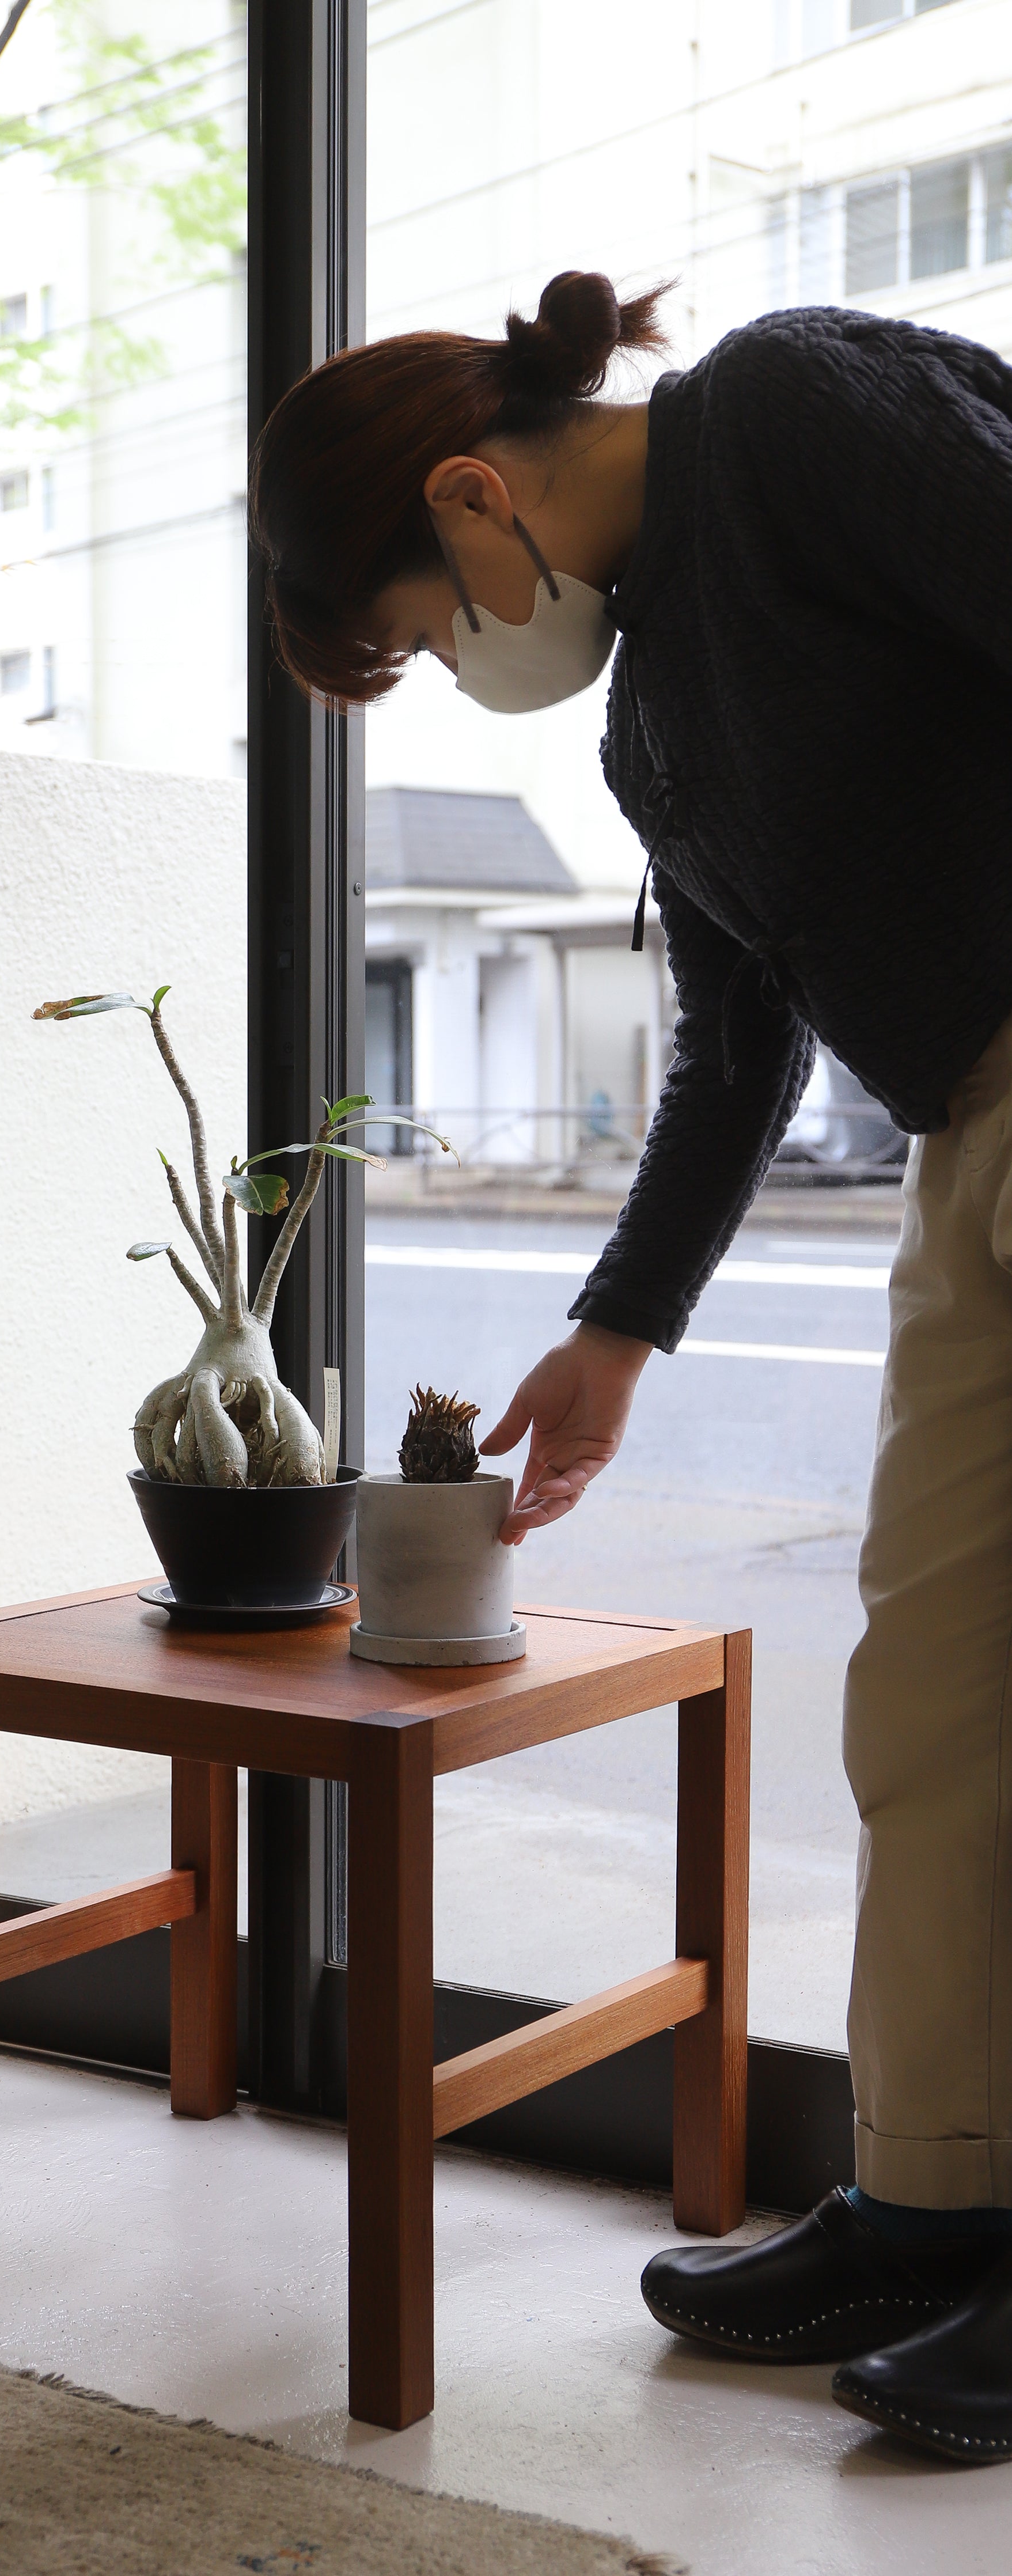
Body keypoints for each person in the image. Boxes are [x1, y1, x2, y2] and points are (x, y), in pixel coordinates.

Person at [249, 269, 1012, 2465]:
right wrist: (616, 1336)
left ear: (476, 498)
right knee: (937, 1693)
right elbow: (740, 1052)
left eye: (415, 631)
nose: (452, 671)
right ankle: (932, 2197)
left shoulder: (785, 411)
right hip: (967, 1130)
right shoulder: (650, 723)